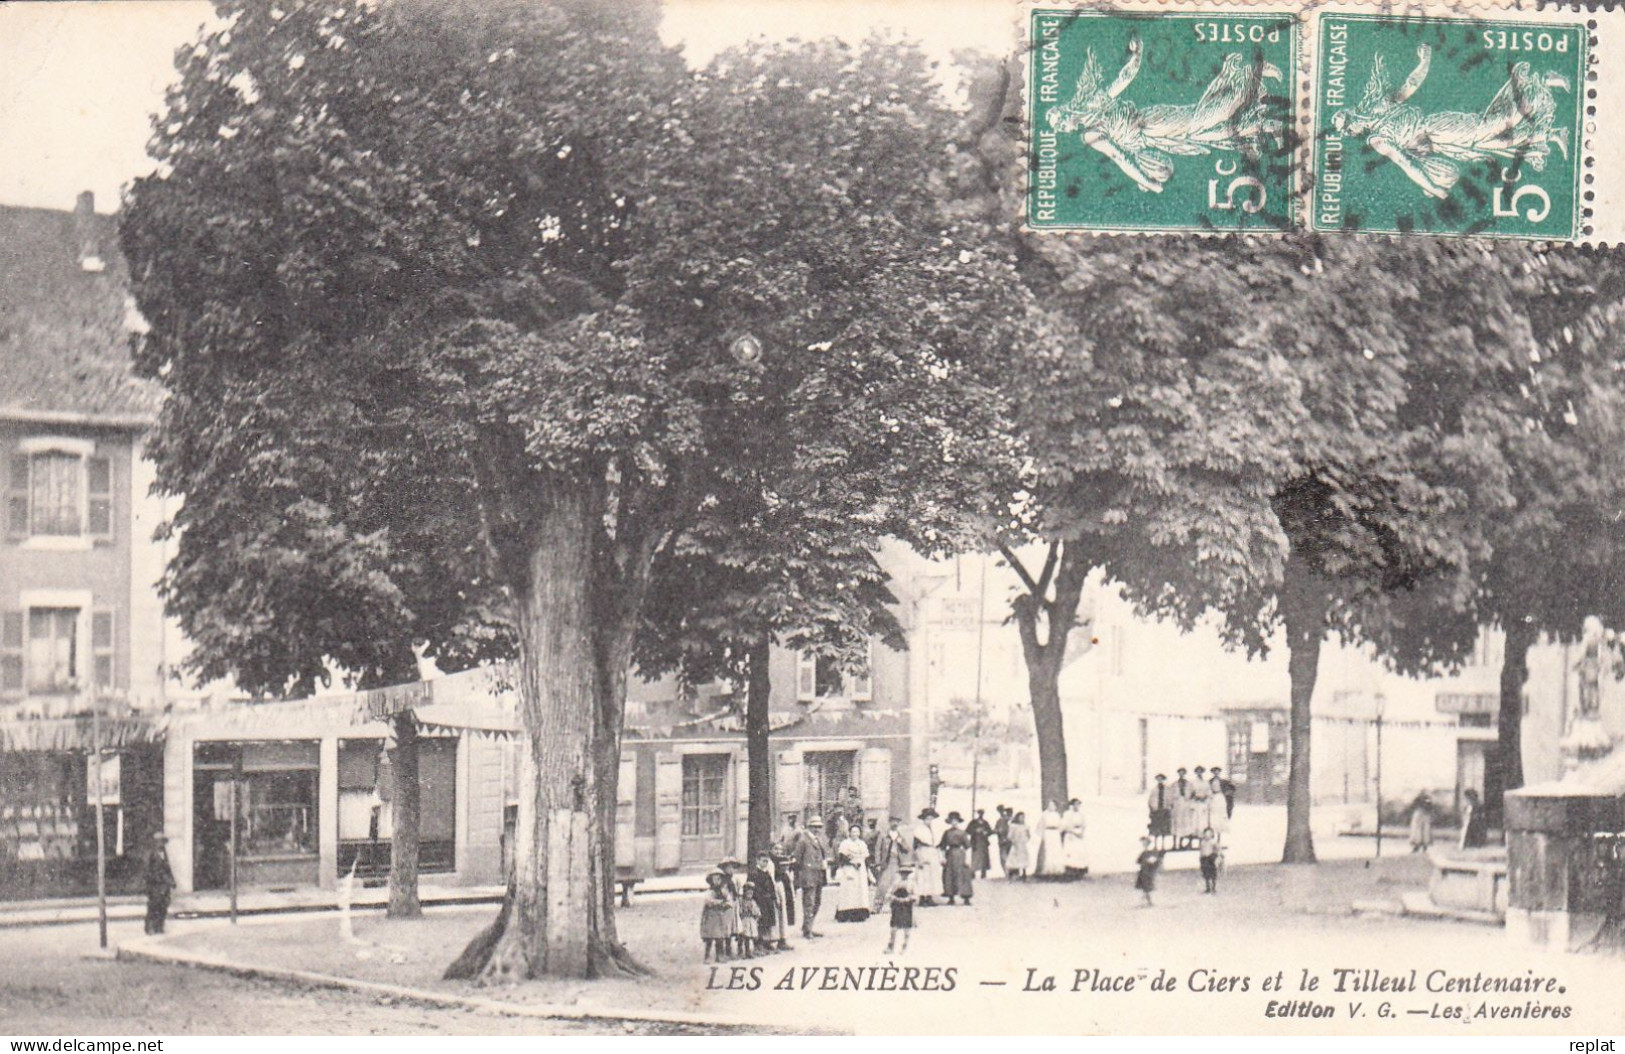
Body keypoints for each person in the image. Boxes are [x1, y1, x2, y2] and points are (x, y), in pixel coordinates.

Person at [791, 815, 829, 937]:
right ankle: (807, 930)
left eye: (819, 827)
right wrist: (799, 876)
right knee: (809, 903)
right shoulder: (803, 840)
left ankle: (808, 926)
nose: (817, 829)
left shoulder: (818, 840)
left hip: (818, 875)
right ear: (809, 827)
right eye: (814, 827)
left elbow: (823, 855)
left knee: (817, 902)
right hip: (808, 876)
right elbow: (796, 860)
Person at [749, 851, 789, 951]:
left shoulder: (767, 873)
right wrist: (758, 899)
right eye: (763, 861)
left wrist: (775, 899)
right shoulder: (754, 874)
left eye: (766, 861)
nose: (765, 863)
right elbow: (752, 889)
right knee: (760, 923)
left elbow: (772, 887)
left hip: (768, 902)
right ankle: (759, 943)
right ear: (757, 861)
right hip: (760, 901)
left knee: (768, 922)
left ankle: (767, 942)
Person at [834, 822, 872, 922]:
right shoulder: (845, 843)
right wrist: (851, 863)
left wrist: (868, 870)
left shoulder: (862, 843)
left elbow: (866, 857)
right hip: (849, 869)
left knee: (860, 891)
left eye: (857, 832)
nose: (855, 834)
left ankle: (859, 913)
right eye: (853, 832)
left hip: (861, 869)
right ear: (849, 833)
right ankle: (846, 913)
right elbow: (842, 857)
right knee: (849, 891)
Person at [870, 815, 907, 914]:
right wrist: (878, 863)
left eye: (897, 822)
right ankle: (876, 906)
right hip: (886, 862)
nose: (895, 824)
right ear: (889, 823)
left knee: (896, 885)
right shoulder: (883, 835)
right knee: (883, 885)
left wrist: (901, 842)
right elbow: (877, 849)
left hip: (897, 862)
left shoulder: (900, 835)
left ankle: (895, 907)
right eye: (893, 822)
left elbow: (907, 849)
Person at [144, 832, 176, 936]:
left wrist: (172, 880)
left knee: (163, 906)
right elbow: (148, 871)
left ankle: (159, 926)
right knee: (153, 906)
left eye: (163, 842)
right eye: (159, 842)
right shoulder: (151, 854)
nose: (161, 844)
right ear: (155, 843)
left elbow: (168, 869)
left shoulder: (164, 854)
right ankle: (149, 927)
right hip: (155, 885)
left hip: (164, 886)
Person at [939, 812, 974, 905]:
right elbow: (942, 846)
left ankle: (966, 898)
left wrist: (967, 859)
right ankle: (951, 897)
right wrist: (942, 858)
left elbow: (968, 847)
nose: (954, 823)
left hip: (960, 855)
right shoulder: (946, 833)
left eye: (956, 821)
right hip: (950, 855)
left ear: (958, 822)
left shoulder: (962, 833)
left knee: (964, 875)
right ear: (949, 822)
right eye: (952, 821)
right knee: (949, 875)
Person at [912, 808, 943, 905]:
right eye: (927, 819)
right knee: (922, 876)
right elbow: (915, 847)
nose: (929, 821)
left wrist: (940, 857)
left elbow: (937, 845)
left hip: (932, 853)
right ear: (923, 819)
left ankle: (929, 897)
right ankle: (922, 898)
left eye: (931, 819)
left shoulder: (934, 830)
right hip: (923, 852)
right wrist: (919, 859)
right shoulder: (919, 830)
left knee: (932, 876)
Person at [701, 870, 734, 962]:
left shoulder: (724, 891)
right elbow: (708, 901)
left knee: (719, 937)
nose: (717, 881)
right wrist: (718, 902)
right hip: (711, 916)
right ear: (711, 881)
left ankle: (719, 955)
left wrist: (727, 904)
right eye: (714, 879)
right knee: (710, 937)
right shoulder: (710, 892)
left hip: (720, 916)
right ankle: (707, 956)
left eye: (719, 879)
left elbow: (729, 900)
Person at [885, 865, 916, 955]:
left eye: (906, 873)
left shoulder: (912, 884)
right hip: (897, 907)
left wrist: (907, 899)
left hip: (906, 907)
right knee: (894, 928)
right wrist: (894, 898)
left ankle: (905, 946)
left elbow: (915, 895)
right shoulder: (896, 883)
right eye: (903, 873)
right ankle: (891, 945)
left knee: (907, 928)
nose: (904, 875)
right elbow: (888, 894)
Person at [1035, 800, 1066, 878]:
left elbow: (1061, 825)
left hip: (1055, 833)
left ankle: (1057, 869)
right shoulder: (1045, 814)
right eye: (1050, 805)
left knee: (1056, 850)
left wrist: (1058, 831)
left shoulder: (1057, 815)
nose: (1051, 806)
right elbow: (1040, 825)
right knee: (1049, 851)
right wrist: (1042, 834)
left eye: (1053, 805)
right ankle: (1049, 869)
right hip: (1048, 833)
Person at [1061, 798, 1089, 877]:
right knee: (1072, 852)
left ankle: (1080, 871)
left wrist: (1081, 833)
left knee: (1079, 851)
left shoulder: (1081, 815)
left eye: (1079, 804)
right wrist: (1073, 832)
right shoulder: (1068, 814)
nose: (1077, 806)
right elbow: (1065, 825)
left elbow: (1084, 825)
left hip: (1079, 834)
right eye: (1076, 804)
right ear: (1072, 805)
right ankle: (1071, 871)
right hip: (1071, 834)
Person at [1134, 836, 1163, 907]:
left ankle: (1143, 902)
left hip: (1147, 872)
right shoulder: (1145, 852)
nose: (1143, 844)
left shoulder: (1150, 852)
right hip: (1144, 872)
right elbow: (1138, 861)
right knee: (1145, 888)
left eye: (1144, 843)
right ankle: (1148, 902)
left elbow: (1156, 862)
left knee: (1146, 888)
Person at [1172, 768, 1197, 847]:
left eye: (1183, 773)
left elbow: (1193, 794)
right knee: (1177, 824)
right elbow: (1170, 796)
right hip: (1178, 805)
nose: (1181, 774)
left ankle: (1188, 843)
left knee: (1187, 823)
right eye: (1180, 773)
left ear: (1185, 773)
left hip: (1186, 805)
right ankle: (1176, 844)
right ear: (1178, 774)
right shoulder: (1174, 784)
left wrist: (1191, 803)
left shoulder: (1189, 784)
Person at [966, 809, 994, 879]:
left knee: (984, 858)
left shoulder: (985, 823)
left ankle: (983, 873)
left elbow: (990, 831)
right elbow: (967, 831)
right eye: (979, 813)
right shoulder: (973, 822)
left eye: (982, 813)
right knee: (975, 857)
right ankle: (973, 872)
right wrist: (975, 831)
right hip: (976, 842)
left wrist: (986, 832)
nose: (980, 815)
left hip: (984, 842)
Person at [1147, 773, 1172, 846]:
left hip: (1164, 810)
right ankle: (1155, 844)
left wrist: (1168, 807)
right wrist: (1152, 809)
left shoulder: (1167, 789)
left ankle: (1163, 844)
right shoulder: (1154, 790)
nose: (1160, 780)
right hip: (1157, 811)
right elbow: (1150, 801)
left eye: (1161, 779)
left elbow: (1170, 799)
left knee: (1163, 828)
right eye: (1158, 779)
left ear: (1163, 780)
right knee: (1156, 828)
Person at [1207, 766, 1232, 840]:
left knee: (1220, 815)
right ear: (1212, 772)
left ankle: (1219, 837)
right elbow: (1207, 789)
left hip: (1220, 798)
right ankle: (1212, 835)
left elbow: (1232, 788)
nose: (1216, 773)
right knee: (1212, 816)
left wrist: (1226, 793)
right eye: (1214, 771)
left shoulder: (1224, 781)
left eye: (1217, 771)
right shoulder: (1210, 781)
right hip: (1212, 798)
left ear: (1219, 772)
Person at [1005, 810, 1031, 879]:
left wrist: (1025, 840)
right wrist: (1013, 841)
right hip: (1015, 844)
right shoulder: (1013, 826)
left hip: (1022, 844)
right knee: (1013, 859)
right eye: (1021, 817)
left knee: (1023, 858)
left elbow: (1028, 835)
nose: (1022, 818)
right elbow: (1009, 836)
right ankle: (1011, 874)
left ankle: (1024, 873)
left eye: (1023, 817)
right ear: (1017, 818)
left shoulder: (1025, 826)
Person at [1198, 827, 1221, 894]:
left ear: (1211, 834)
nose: (1207, 835)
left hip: (1211, 858)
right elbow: (1201, 851)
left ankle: (1213, 888)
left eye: (1209, 833)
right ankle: (1207, 888)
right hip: (1204, 858)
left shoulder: (1213, 842)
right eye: (1206, 833)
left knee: (1213, 873)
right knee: (1206, 873)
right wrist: (1200, 858)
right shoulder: (1202, 842)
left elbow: (1218, 849)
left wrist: (1218, 857)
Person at [993, 806, 1013, 875]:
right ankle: (1007, 872)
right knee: (1004, 857)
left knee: (1009, 857)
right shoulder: (1000, 821)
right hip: (1003, 841)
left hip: (1010, 842)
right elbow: (996, 829)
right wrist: (997, 831)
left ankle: (1011, 872)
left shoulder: (1012, 821)